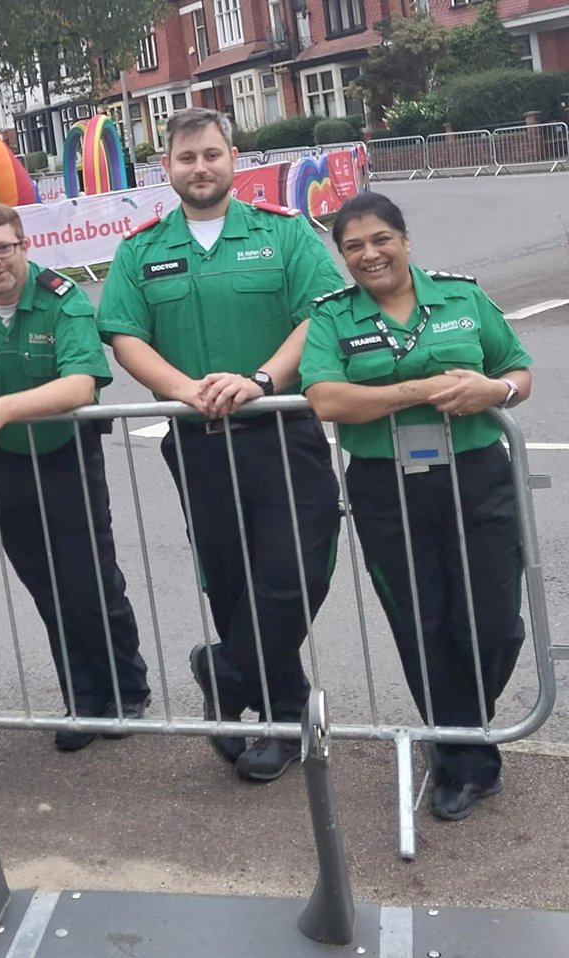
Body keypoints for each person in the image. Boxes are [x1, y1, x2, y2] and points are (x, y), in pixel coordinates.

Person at [97, 107, 344, 783]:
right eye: (186, 158)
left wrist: (261, 379)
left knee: (298, 570)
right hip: (199, 440)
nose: (199, 167)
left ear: (233, 159)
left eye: (211, 154)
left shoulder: (283, 235)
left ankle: (227, 668)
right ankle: (277, 720)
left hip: (281, 430)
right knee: (235, 583)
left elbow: (319, 316)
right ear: (167, 169)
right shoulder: (140, 250)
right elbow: (124, 336)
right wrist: (185, 389)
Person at [301, 191, 532, 821]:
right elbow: (325, 398)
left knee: (493, 626)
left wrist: (497, 388)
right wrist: (419, 390)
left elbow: (518, 369)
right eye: (353, 246)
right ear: (343, 256)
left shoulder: (462, 297)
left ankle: (454, 731)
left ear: (404, 240)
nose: (369, 254)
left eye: (381, 239)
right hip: (387, 487)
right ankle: (466, 763)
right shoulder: (332, 318)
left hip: (478, 477)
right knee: (422, 625)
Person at [0, 202, 150, 751]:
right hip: (8, 457)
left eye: (4, 247)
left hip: (67, 453)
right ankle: (83, 699)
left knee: (89, 577)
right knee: (40, 578)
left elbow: (81, 385)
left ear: (23, 245)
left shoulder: (60, 296)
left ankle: (127, 686)